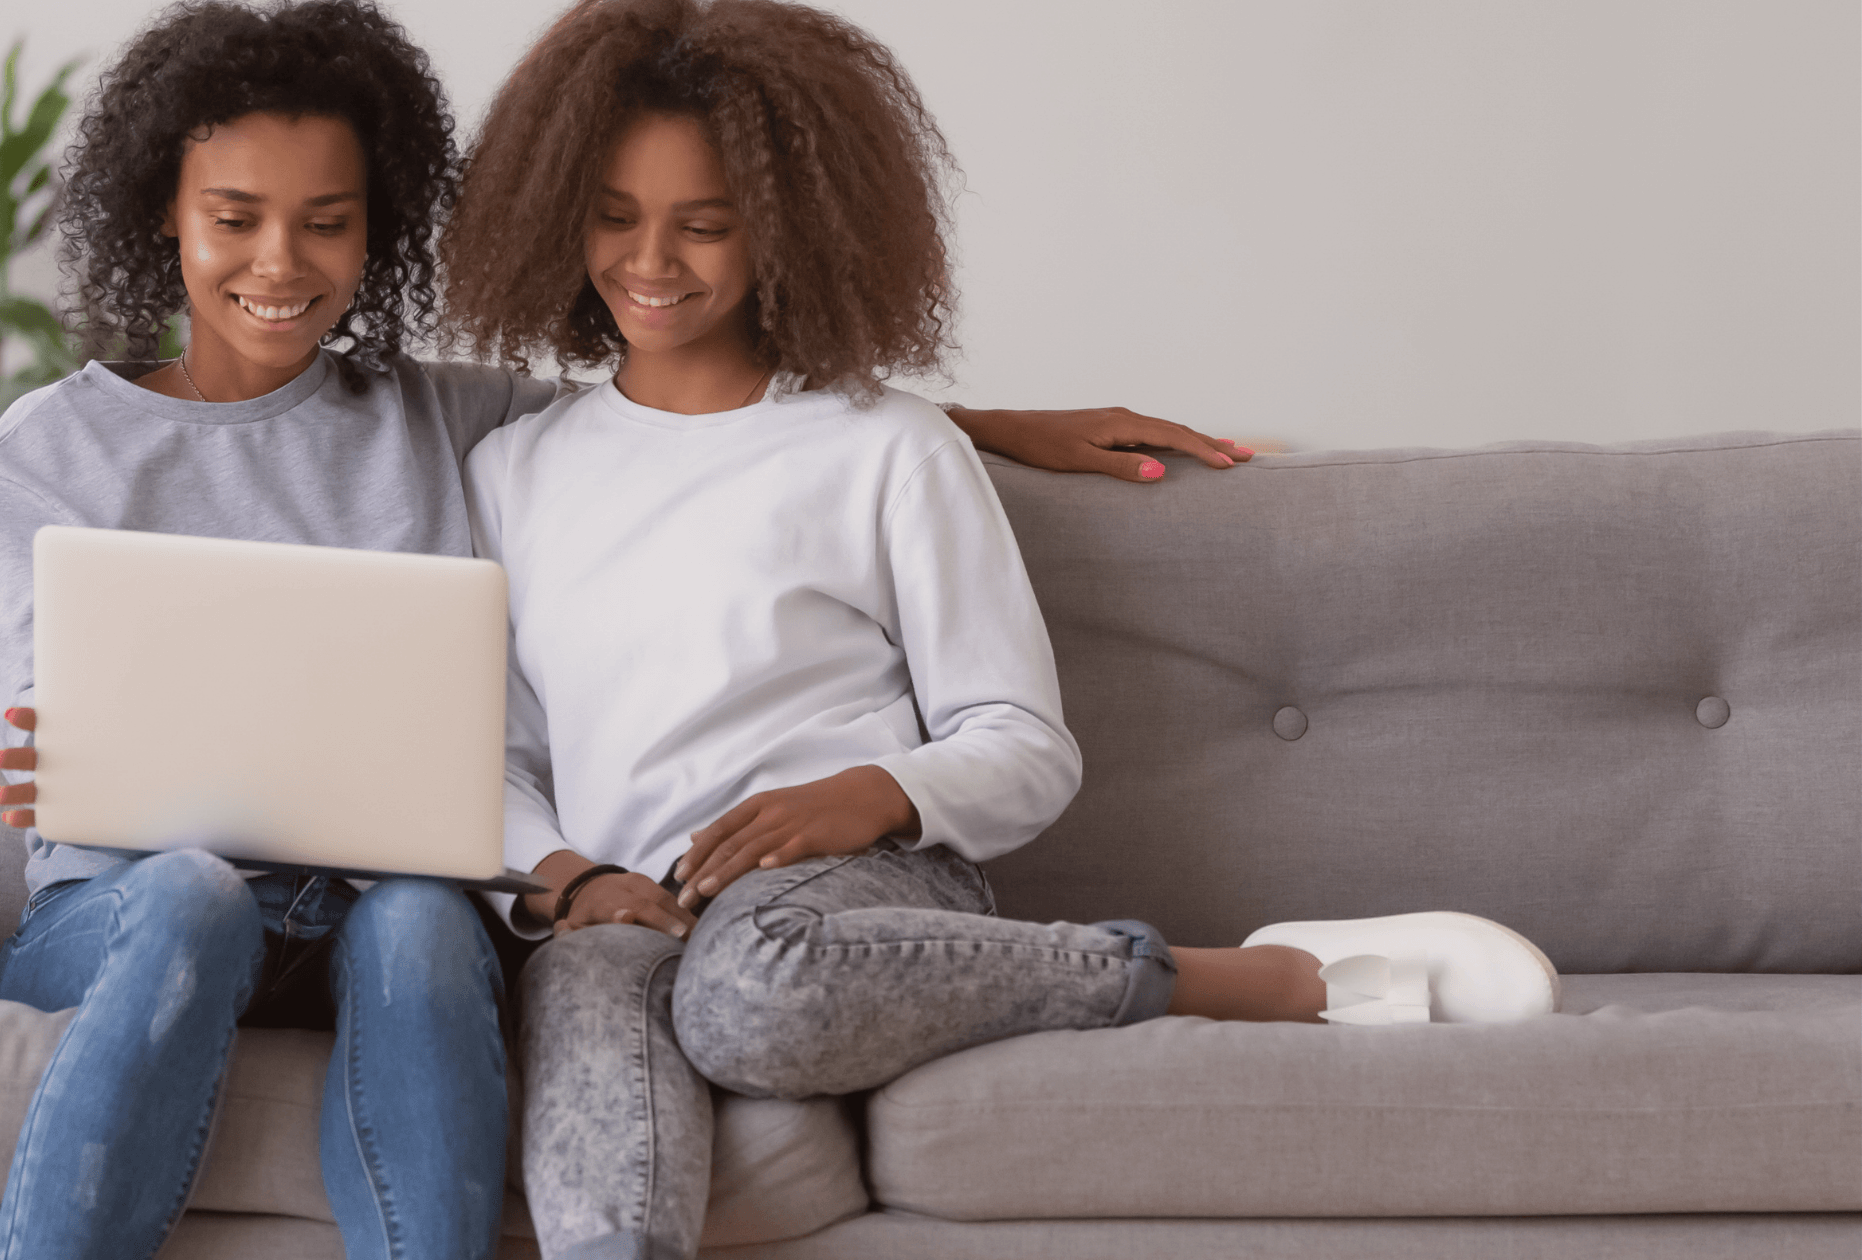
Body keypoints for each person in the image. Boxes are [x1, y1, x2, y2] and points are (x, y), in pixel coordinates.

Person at [0, 4, 1252, 1257]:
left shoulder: (435, 418)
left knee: (424, 909)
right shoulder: (75, 450)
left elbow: (712, 425)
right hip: (157, 901)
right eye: (233, 218)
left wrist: (982, 427)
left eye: (327, 223)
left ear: (378, 231)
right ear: (163, 211)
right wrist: (54, 762)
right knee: (214, 891)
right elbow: (53, 738)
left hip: (438, 900)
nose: (278, 262)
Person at [439, 4, 1561, 1258]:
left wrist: (868, 793)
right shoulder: (510, 475)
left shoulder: (887, 447)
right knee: (582, 988)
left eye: (705, 224)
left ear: (788, 224)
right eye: (611, 214)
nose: (651, 260)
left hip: (857, 891)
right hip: (629, 902)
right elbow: (497, 759)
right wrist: (574, 879)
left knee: (751, 996)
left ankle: (1272, 979)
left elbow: (1022, 743)